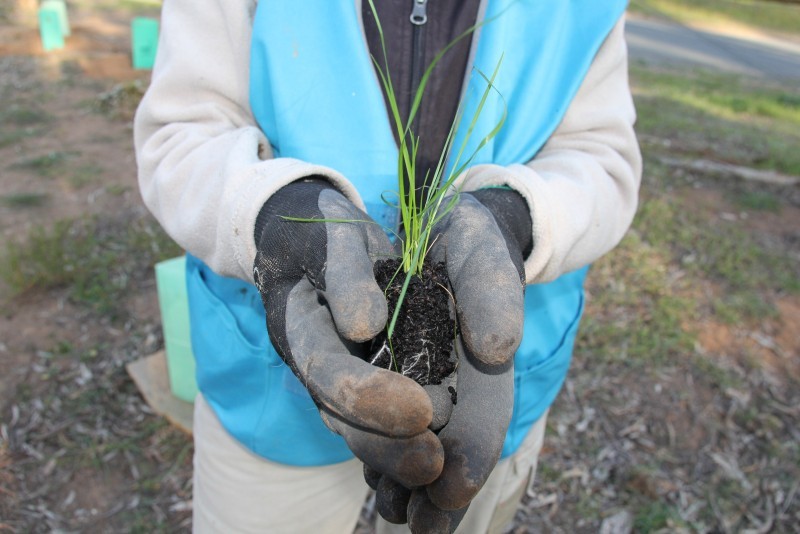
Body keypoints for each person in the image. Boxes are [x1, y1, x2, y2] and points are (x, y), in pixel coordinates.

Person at [134, 0, 641, 532]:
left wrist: (518, 217)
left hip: (480, 391)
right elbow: (182, 130)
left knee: (442, 501)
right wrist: (269, 210)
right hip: (272, 385)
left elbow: (600, 154)